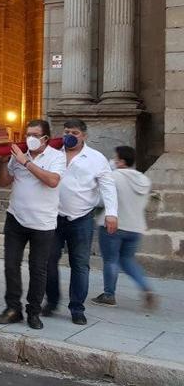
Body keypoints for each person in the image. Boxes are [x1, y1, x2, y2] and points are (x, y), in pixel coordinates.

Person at [0, 120, 66, 330]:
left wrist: (26, 163)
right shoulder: (18, 156)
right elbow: (4, 182)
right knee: (11, 265)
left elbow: (52, 181)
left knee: (38, 269)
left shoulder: (56, 157)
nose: (30, 138)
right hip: (16, 218)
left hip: (43, 223)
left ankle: (33, 312)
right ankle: (12, 308)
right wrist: (2, 162)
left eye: (34, 135)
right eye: (27, 134)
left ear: (45, 138)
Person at [44, 119, 118, 326]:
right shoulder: (53, 154)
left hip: (81, 219)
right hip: (53, 216)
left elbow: (108, 186)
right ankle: (51, 301)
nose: (70, 135)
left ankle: (77, 308)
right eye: (67, 131)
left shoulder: (96, 158)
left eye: (75, 132)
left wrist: (112, 213)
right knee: (48, 261)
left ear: (84, 135)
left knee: (80, 265)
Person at [92, 146, 157, 309]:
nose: (112, 161)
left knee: (110, 260)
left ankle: (109, 294)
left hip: (113, 224)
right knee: (127, 260)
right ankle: (145, 287)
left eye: (115, 158)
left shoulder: (112, 177)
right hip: (135, 227)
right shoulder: (144, 180)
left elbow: (100, 200)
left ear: (121, 161)